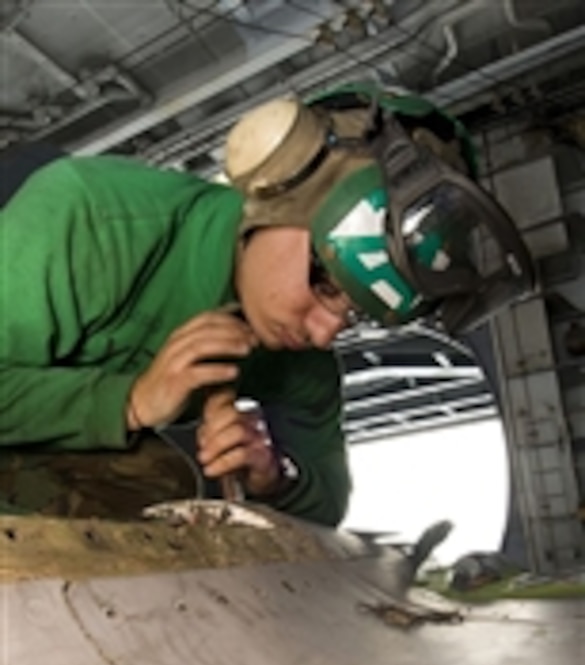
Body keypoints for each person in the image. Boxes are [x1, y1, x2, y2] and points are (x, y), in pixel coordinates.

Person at [0, 81, 534, 524]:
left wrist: (275, 475)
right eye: (327, 285)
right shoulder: (89, 217)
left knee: (159, 484)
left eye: (356, 315)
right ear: (277, 198)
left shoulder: (302, 362)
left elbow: (326, 503)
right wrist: (133, 401)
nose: (325, 332)